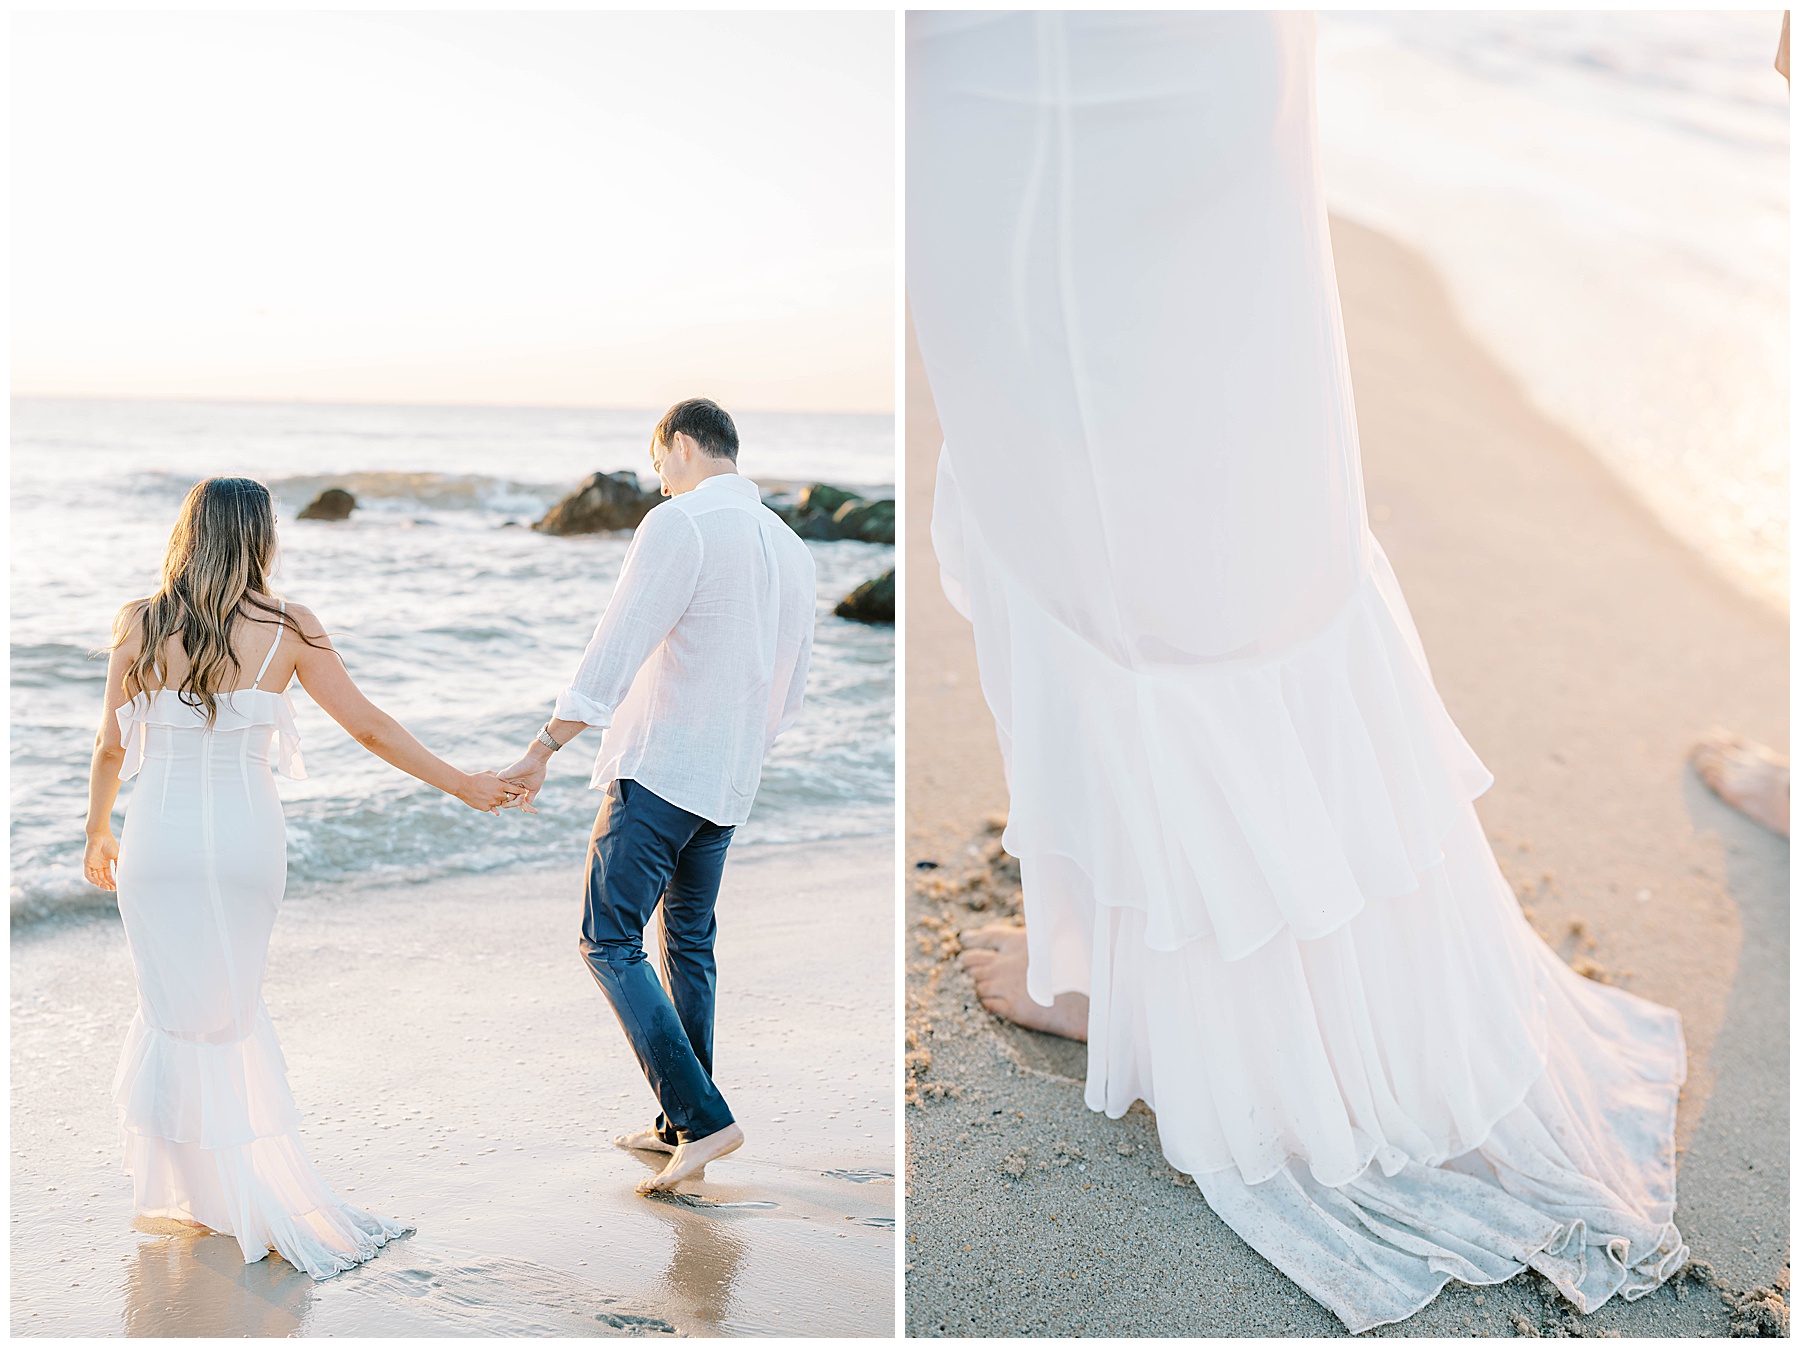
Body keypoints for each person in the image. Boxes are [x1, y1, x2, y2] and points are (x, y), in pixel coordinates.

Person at [910, 11, 1686, 1333]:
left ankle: (1142, 981)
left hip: (1052, 65)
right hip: (1210, 52)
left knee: (1093, 488)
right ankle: (1137, 954)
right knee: (1213, 487)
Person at [83, 476, 521, 1278]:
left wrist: (96, 829)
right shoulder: (290, 627)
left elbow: (111, 747)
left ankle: (200, 1195)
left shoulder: (140, 623)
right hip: (248, 844)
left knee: (174, 1012)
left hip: (158, 844)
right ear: (261, 536)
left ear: (187, 533)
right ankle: (242, 1192)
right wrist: (461, 781)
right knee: (228, 1012)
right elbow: (369, 727)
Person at [497, 398, 815, 1196]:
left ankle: (704, 1119)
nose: (658, 482)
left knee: (606, 938)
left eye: (656, 464)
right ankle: (682, 1124)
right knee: (688, 943)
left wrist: (543, 748)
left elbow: (617, 644)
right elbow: (792, 685)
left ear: (679, 446)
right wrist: (744, 752)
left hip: (665, 768)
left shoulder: (683, 525)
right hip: (730, 779)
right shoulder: (791, 545)